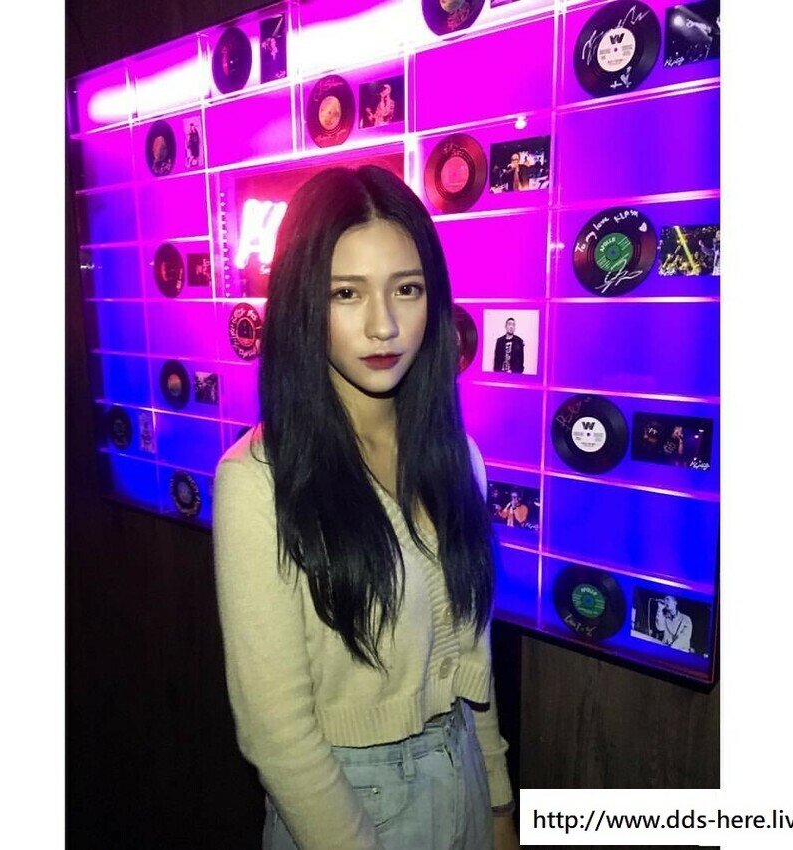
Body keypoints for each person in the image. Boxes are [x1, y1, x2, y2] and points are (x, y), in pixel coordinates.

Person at [213, 165, 519, 850]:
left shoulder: (458, 457)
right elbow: (276, 735)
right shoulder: (257, 483)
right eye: (346, 293)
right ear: (303, 304)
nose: (384, 325)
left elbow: (473, 667)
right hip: (345, 803)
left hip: (464, 774)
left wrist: (500, 803)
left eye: (406, 289)